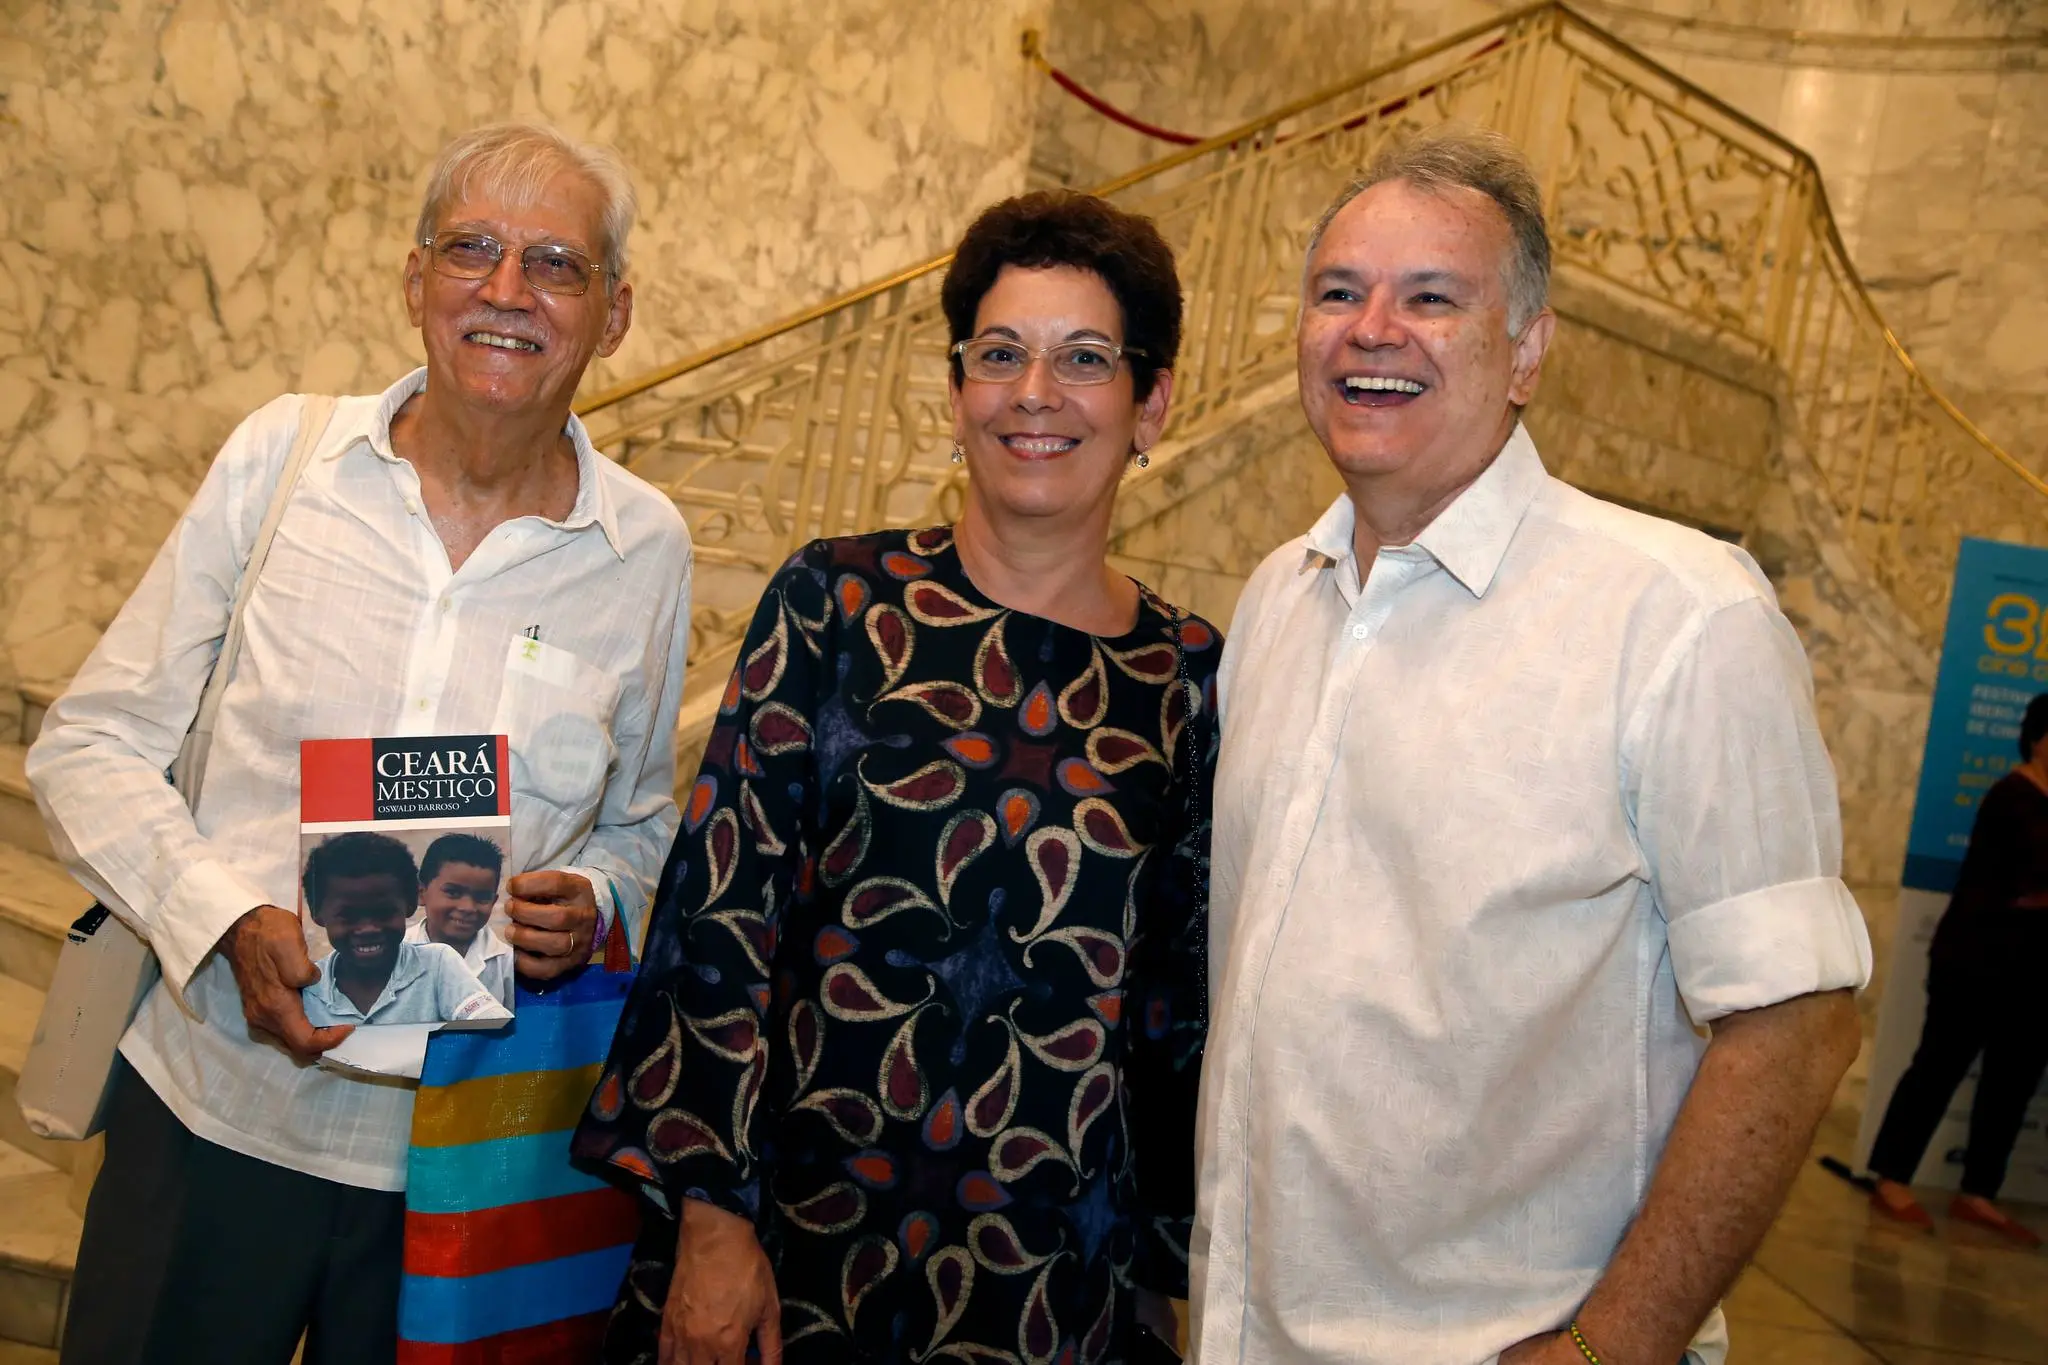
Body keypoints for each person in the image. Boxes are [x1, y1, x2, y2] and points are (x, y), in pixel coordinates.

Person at [1189, 127, 1871, 1365]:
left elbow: (1795, 1022)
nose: (1370, 330)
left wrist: (1613, 1347)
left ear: (1526, 351)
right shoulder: (1276, 601)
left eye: (1429, 298)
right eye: (1337, 292)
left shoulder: (1677, 615)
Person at [27, 120, 692, 1364]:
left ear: (613, 316)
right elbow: (91, 745)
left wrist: (597, 899)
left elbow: (643, 826)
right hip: (211, 1118)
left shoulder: (644, 549)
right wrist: (226, 918)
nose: (506, 290)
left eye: (555, 263)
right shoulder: (283, 463)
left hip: (467, 1175)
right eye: (472, 249)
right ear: (414, 278)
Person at [575, 190, 1217, 1365]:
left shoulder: (1186, 681)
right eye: (999, 354)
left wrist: (1150, 1274)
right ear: (957, 389)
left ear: (1151, 403)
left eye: (1083, 358)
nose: (1034, 393)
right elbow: (719, 927)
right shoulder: (837, 605)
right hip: (788, 1252)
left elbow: (1175, 1010)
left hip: (1044, 1279)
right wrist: (710, 1223)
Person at [1866, 692, 2048, 1247]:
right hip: (1976, 962)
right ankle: (1892, 1179)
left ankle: (1978, 1193)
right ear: (2040, 739)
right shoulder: (2011, 797)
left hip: (2035, 973)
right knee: (1938, 1069)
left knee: (2012, 1085)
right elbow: (2023, 884)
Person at [302, 831, 506, 1028]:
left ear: (409, 904)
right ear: (317, 913)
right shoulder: (306, 988)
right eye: (349, 916)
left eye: (383, 913)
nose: (368, 929)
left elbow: (494, 1022)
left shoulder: (438, 964)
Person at [406, 831, 516, 1005]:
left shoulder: (507, 963)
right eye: (453, 892)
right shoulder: (397, 952)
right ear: (420, 892)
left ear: (493, 901)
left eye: (482, 897)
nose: (468, 908)